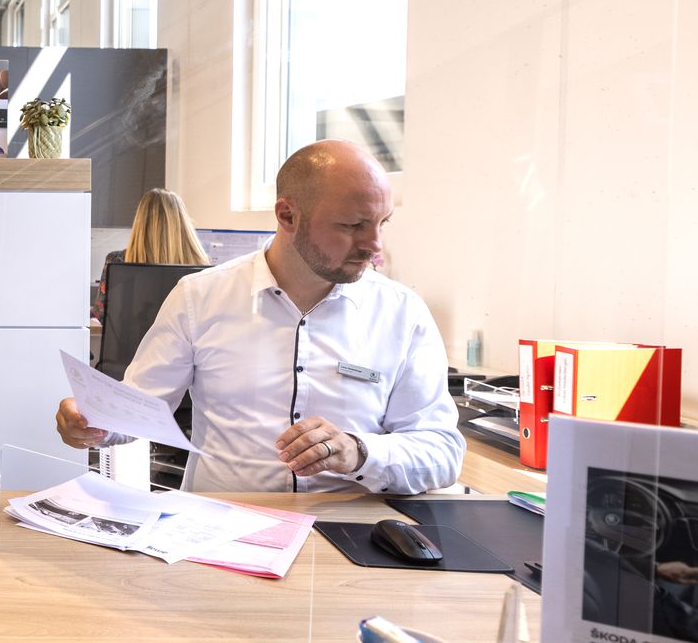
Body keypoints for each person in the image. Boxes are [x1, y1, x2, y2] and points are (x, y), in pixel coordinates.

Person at [57, 139, 464, 494]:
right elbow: (139, 407)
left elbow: (443, 453)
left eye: (381, 223)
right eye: (353, 225)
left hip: (348, 532)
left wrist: (359, 452)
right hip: (222, 527)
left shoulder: (402, 312)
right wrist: (95, 422)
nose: (374, 244)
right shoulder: (200, 298)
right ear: (287, 216)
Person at [94, 187, 208, 322]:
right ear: (182, 225)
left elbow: (101, 315)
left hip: (132, 336)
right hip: (180, 337)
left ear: (140, 223)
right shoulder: (201, 268)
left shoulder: (116, 261)